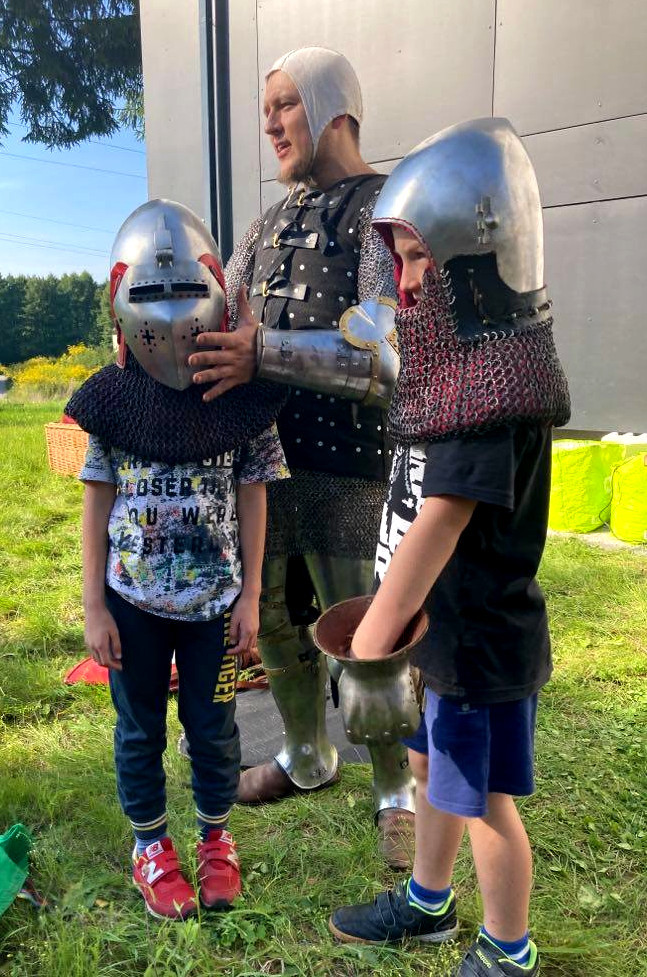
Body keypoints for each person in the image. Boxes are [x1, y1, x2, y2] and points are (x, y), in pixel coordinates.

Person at [328, 118, 571, 977]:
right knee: (431, 768)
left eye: (420, 259)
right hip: (442, 633)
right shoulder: (451, 371)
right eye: (398, 260)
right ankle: (428, 904)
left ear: (479, 258)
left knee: (484, 803)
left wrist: (371, 635)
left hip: (480, 644)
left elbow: (440, 517)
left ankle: (508, 950)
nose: (405, 282)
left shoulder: (494, 388)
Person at [188, 46, 415, 867]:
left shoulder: (384, 210)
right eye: (267, 110)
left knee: (365, 634)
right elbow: (220, 315)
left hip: (348, 465)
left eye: (285, 104)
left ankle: (395, 788)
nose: (271, 124)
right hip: (264, 465)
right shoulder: (265, 225)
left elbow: (385, 358)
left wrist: (264, 354)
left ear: (331, 108)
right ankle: (306, 754)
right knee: (277, 625)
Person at [66, 199, 288, 920]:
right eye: (151, 293)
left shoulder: (238, 401)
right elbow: (96, 504)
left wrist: (251, 595)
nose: (167, 313)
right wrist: (95, 605)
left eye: (184, 289)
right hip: (131, 603)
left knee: (213, 726)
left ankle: (215, 837)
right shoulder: (112, 402)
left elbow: (253, 496)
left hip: (215, 607)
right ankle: (151, 846)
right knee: (139, 729)